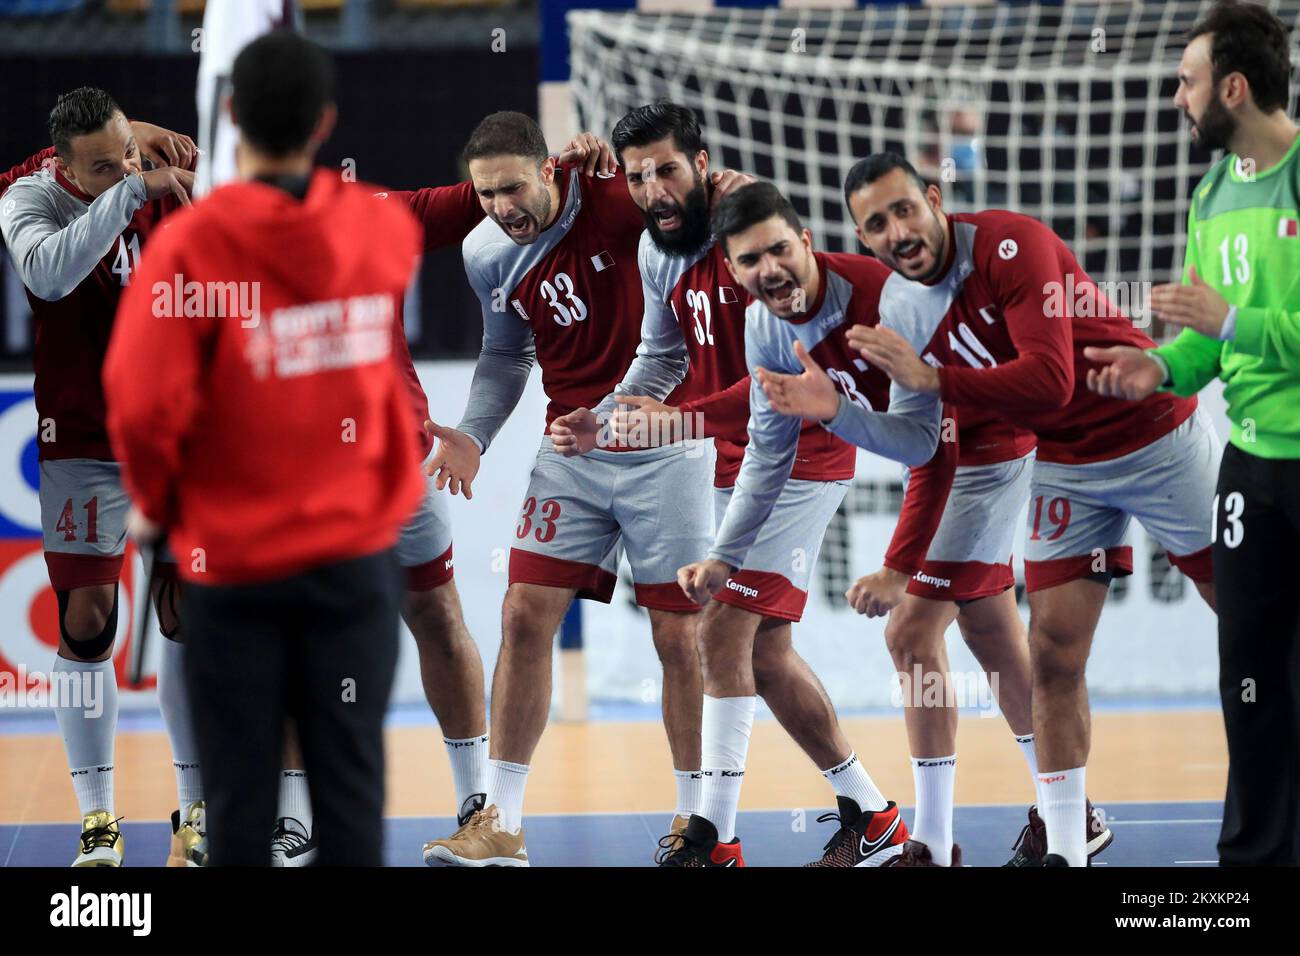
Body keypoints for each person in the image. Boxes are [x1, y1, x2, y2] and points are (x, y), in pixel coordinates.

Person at [828, 152, 1218, 866]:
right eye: (875, 225)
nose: (895, 231)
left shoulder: (1013, 244)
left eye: (904, 210)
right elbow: (926, 442)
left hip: (1153, 434)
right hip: (1062, 469)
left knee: (1253, 616)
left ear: (936, 200)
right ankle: (1068, 845)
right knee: (1052, 656)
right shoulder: (902, 308)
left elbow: (1050, 379)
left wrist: (932, 377)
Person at [103, 30, 425, 867]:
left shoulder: (190, 245)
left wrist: (155, 503)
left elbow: (142, 402)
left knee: (239, 802)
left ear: (231, 112)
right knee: (351, 798)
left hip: (233, 565)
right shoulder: (380, 231)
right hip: (355, 563)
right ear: (325, 122)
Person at [419, 111, 713, 867]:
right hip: (571, 447)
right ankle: (502, 821)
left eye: (512, 187)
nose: (499, 207)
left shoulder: (622, 201)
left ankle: (697, 819)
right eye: (484, 194)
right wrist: (473, 436)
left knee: (679, 634)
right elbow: (505, 353)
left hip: (665, 440)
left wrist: (621, 165)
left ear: (550, 170)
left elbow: (697, 207)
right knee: (522, 614)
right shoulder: (486, 252)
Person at [669, 180, 947, 865]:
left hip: (980, 442)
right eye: (749, 261)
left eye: (779, 250)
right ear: (731, 272)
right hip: (820, 457)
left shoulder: (885, 303)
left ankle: (714, 837)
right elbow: (769, 446)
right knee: (763, 654)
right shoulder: (764, 324)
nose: (769, 269)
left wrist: (899, 564)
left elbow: (931, 440)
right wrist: (727, 555)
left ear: (808, 243)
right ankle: (875, 815)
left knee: (723, 631)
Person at [1087, 0, 1300, 866]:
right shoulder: (1212, 193)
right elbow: (1205, 336)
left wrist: (1234, 322)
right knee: (1247, 680)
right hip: (1250, 466)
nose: (1178, 97)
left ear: (1235, 88)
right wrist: (1160, 369)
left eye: (1188, 80)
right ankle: (1254, 865)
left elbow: (1234, 320)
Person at [0, 91, 202, 867]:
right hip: (84, 438)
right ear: (62, 168)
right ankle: (98, 820)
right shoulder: (30, 198)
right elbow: (50, 275)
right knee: (87, 619)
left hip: (176, 440)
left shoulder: (161, 176)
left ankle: (197, 807)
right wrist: (129, 187)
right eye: (101, 166)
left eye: (127, 153)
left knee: (186, 610)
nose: (124, 169)